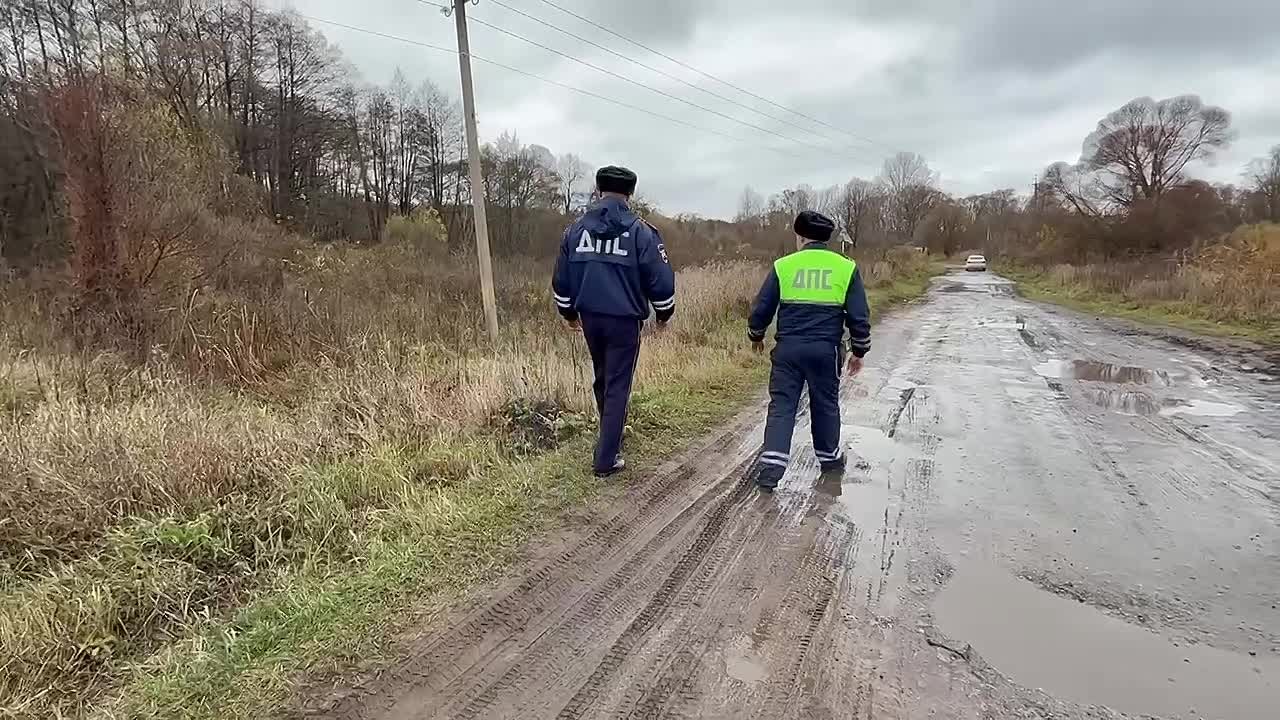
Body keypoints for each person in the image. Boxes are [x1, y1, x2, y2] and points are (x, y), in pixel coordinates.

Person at [552, 166, 676, 478]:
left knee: (602, 378)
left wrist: (568, 315)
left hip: (590, 319)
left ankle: (611, 436)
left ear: (597, 189)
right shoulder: (641, 232)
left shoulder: (575, 231)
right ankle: (607, 457)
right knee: (618, 384)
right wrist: (663, 317)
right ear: (630, 194)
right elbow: (660, 282)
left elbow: (560, 281)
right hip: (625, 321)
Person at [747, 210, 871, 491]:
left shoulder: (784, 266)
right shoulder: (845, 267)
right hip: (825, 350)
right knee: (825, 404)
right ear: (826, 239)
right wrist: (859, 350)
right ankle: (829, 460)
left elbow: (762, 308)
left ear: (799, 236)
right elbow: (858, 314)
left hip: (788, 350)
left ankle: (772, 468)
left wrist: (756, 335)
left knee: (782, 405)